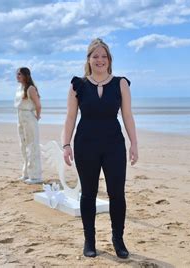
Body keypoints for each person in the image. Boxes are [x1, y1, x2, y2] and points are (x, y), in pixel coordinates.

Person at [62, 38, 138, 258]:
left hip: (114, 144)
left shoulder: (121, 83)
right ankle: (90, 240)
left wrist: (134, 143)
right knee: (88, 194)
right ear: (89, 59)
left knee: (117, 194)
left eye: (104, 56)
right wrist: (66, 144)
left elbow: (127, 116)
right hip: (85, 144)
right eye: (95, 56)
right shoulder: (78, 85)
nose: (100, 60)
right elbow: (69, 117)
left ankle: (118, 239)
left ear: (109, 60)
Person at [14, 67, 43, 185]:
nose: (17, 76)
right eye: (17, 74)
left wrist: (37, 117)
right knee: (23, 146)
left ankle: (35, 176)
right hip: (20, 118)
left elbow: (38, 105)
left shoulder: (31, 88)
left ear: (26, 75)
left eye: (19, 74)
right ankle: (26, 173)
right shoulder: (19, 88)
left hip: (29, 118)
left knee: (32, 146)